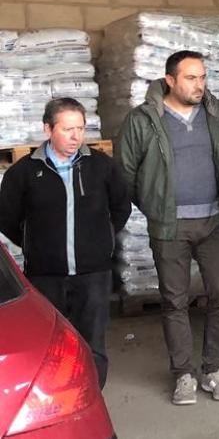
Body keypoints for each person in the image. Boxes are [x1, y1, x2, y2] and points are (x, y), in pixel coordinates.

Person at [115, 50, 219, 406]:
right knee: (174, 300)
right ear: (170, 80)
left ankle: (214, 369)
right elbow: (125, 172)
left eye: (202, 77)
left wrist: (218, 198)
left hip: (214, 221)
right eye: (191, 78)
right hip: (169, 225)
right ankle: (184, 374)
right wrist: (155, 206)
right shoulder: (143, 119)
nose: (199, 85)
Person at [0, 97, 129, 387]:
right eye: (67, 129)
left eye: (81, 129)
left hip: (93, 275)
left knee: (93, 345)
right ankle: (58, 401)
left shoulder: (101, 167)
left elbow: (121, 206)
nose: (76, 137)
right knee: (51, 344)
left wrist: (101, 239)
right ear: (48, 129)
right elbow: (6, 216)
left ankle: (90, 399)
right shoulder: (24, 173)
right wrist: (36, 243)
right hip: (45, 276)